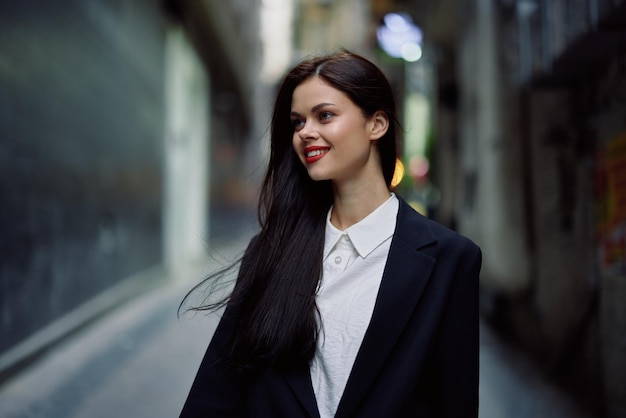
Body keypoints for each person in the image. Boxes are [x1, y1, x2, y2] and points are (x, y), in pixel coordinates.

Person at [180, 51, 482, 418]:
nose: (305, 132)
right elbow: (217, 392)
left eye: (324, 115)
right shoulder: (270, 250)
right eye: (297, 122)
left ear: (377, 124)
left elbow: (453, 404)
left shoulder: (449, 259)